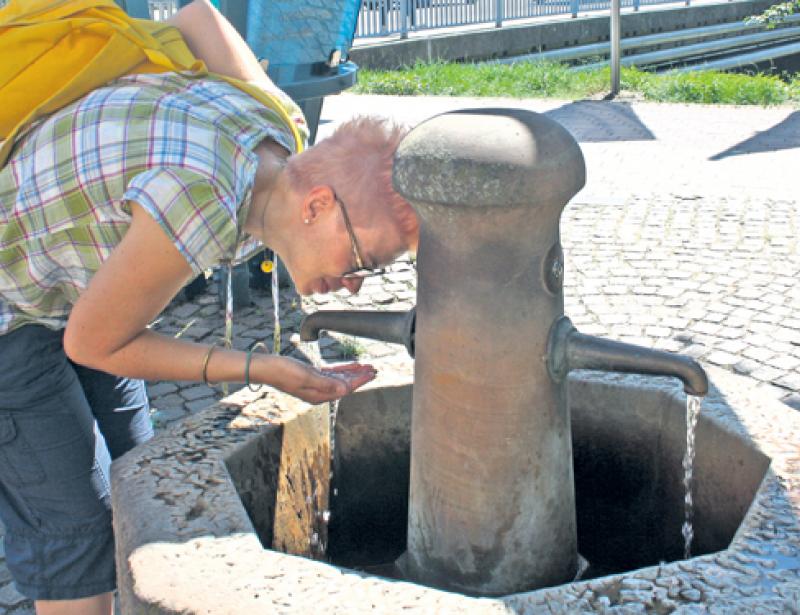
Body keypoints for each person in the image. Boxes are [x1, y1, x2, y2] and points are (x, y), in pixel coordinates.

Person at [0, 1, 419, 613]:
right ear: (317, 205)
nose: (354, 284)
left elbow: (198, 18)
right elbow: (93, 344)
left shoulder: (281, 130)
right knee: (77, 527)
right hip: (12, 312)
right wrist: (260, 369)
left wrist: (123, 138)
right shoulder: (200, 200)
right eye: (364, 260)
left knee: (139, 475)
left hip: (69, 288)